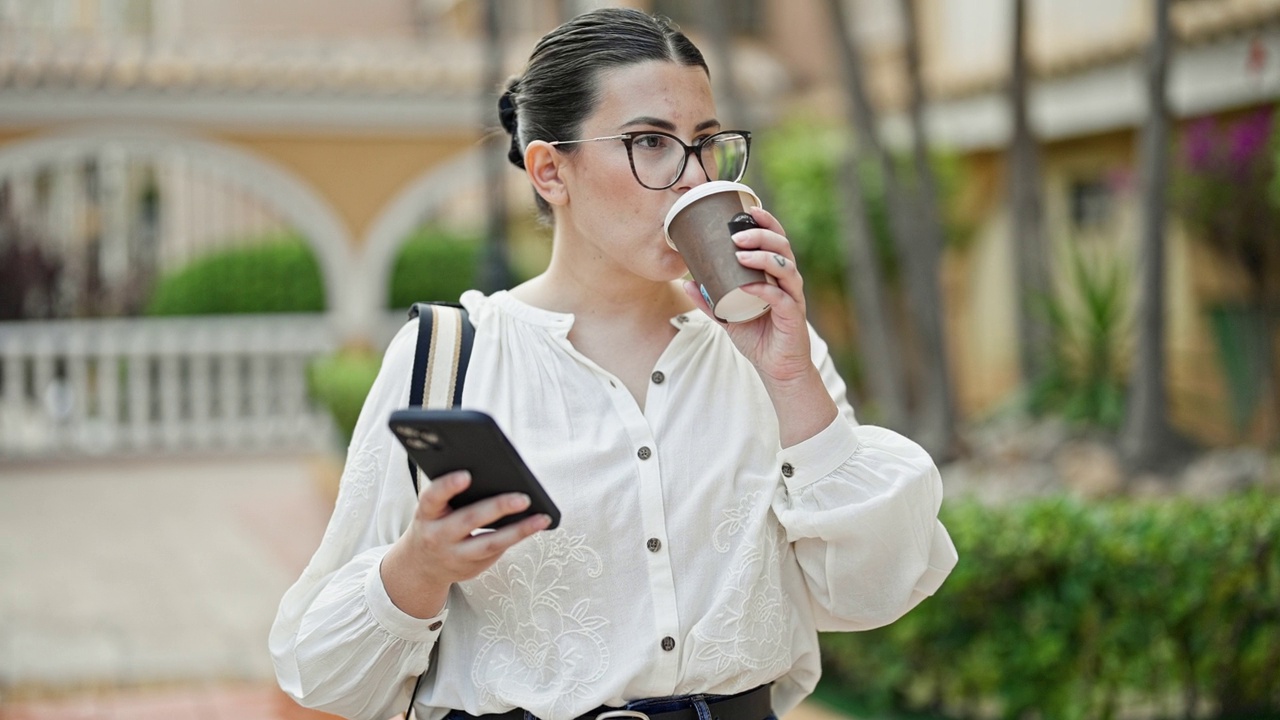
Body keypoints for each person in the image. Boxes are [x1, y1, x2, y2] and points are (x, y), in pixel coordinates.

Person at [270, 8, 958, 720]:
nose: (692, 177)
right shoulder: (451, 356)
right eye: (649, 143)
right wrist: (422, 563)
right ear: (549, 170)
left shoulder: (773, 356)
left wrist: (789, 376)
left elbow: (876, 592)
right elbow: (325, 676)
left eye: (706, 143)